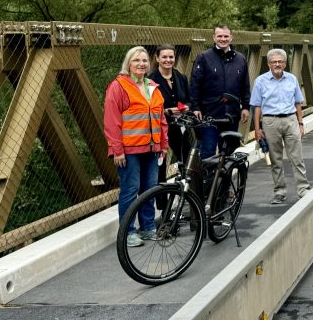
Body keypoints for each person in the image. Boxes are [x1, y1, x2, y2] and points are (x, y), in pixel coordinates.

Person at [104, 46, 169, 248]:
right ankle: (128, 231)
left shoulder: (152, 86)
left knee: (149, 189)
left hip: (151, 149)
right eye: (136, 60)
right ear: (128, 64)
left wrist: (163, 144)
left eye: (144, 61)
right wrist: (117, 150)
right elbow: (112, 121)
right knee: (130, 191)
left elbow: (161, 119)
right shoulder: (118, 86)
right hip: (129, 150)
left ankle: (148, 227)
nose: (141, 64)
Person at [251, 49, 309, 204]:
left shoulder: (292, 79)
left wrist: (301, 123)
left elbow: (298, 102)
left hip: (291, 120)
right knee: (275, 160)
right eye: (274, 61)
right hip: (270, 122)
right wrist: (257, 130)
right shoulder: (260, 81)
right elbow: (256, 107)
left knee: (297, 157)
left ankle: (303, 189)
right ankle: (279, 191)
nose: (277, 64)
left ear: (285, 63)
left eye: (280, 61)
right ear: (269, 63)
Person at [189, 25, 251, 159]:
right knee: (208, 152)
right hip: (209, 114)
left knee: (229, 152)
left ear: (231, 37)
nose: (223, 39)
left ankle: (224, 180)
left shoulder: (240, 59)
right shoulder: (203, 57)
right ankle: (208, 180)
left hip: (231, 114)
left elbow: (245, 85)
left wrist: (246, 107)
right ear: (214, 38)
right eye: (219, 36)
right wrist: (195, 107)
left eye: (226, 36)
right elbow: (195, 84)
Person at [148, 44, 191, 183]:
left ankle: (188, 195)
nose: (168, 60)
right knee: (160, 165)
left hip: (180, 126)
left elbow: (190, 100)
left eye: (171, 57)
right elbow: (148, 106)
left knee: (187, 160)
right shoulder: (150, 80)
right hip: (161, 127)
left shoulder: (181, 77)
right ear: (157, 58)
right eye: (164, 57)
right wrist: (165, 111)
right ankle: (162, 202)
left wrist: (186, 107)